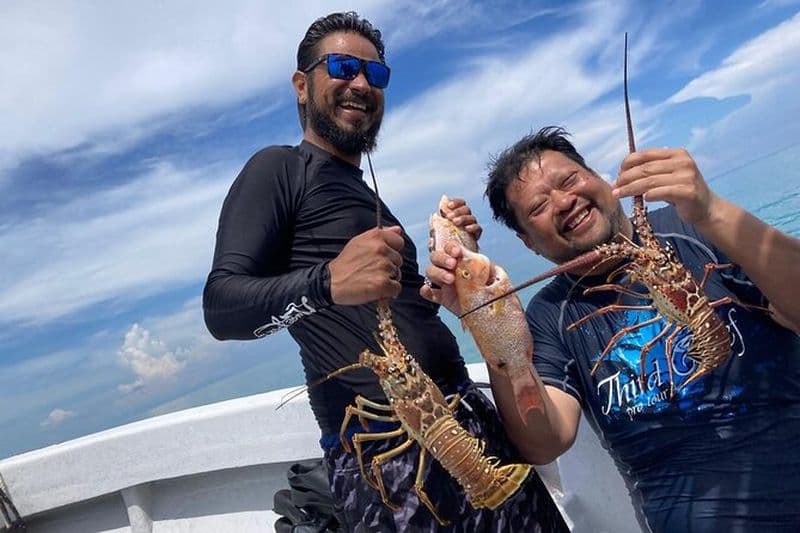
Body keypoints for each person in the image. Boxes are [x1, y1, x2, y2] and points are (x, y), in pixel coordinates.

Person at [203, 13, 568, 532]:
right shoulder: (280, 169)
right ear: (302, 85)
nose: (361, 84)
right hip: (391, 456)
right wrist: (327, 282)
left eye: (375, 74)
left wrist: (457, 267)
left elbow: (405, 311)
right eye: (342, 67)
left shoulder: (366, 197)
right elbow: (222, 309)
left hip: (470, 421)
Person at [424, 126, 800, 532]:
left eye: (569, 180)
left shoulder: (692, 227)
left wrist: (712, 210)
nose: (564, 202)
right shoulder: (552, 313)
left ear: (599, 178)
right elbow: (545, 441)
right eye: (538, 207)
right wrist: (483, 317)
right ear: (528, 242)